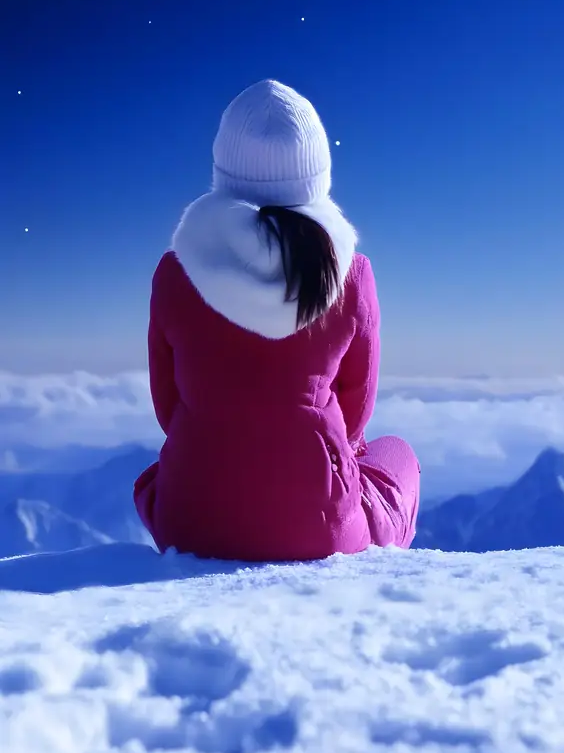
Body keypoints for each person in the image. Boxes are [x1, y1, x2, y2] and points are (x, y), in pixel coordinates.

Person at [134, 79, 420, 561]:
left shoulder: (175, 272)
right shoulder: (350, 275)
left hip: (189, 522)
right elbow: (355, 411)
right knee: (397, 456)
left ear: (223, 170)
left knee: (156, 475)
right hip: (320, 530)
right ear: (317, 174)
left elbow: (169, 408)